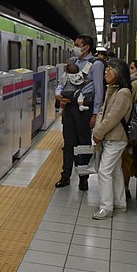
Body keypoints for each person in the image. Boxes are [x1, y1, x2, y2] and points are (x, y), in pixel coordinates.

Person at [55, 34, 105, 190]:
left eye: (77, 44)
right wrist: (58, 94)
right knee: (68, 143)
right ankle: (65, 176)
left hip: (85, 110)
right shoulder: (73, 63)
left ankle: (83, 177)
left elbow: (99, 90)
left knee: (83, 144)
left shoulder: (96, 65)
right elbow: (62, 82)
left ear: (86, 47)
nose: (74, 47)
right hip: (69, 108)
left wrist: (96, 114)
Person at [91, 59, 133, 219]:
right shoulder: (114, 90)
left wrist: (98, 133)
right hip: (112, 138)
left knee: (104, 171)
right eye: (106, 69)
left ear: (120, 72)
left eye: (110, 69)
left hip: (116, 138)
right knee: (115, 171)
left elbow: (113, 118)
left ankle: (106, 207)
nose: (106, 72)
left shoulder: (123, 92)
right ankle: (120, 203)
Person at [121, 60, 137, 199]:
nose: (130, 70)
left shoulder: (135, 85)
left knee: (125, 159)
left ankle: (124, 189)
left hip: (129, 129)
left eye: (132, 67)